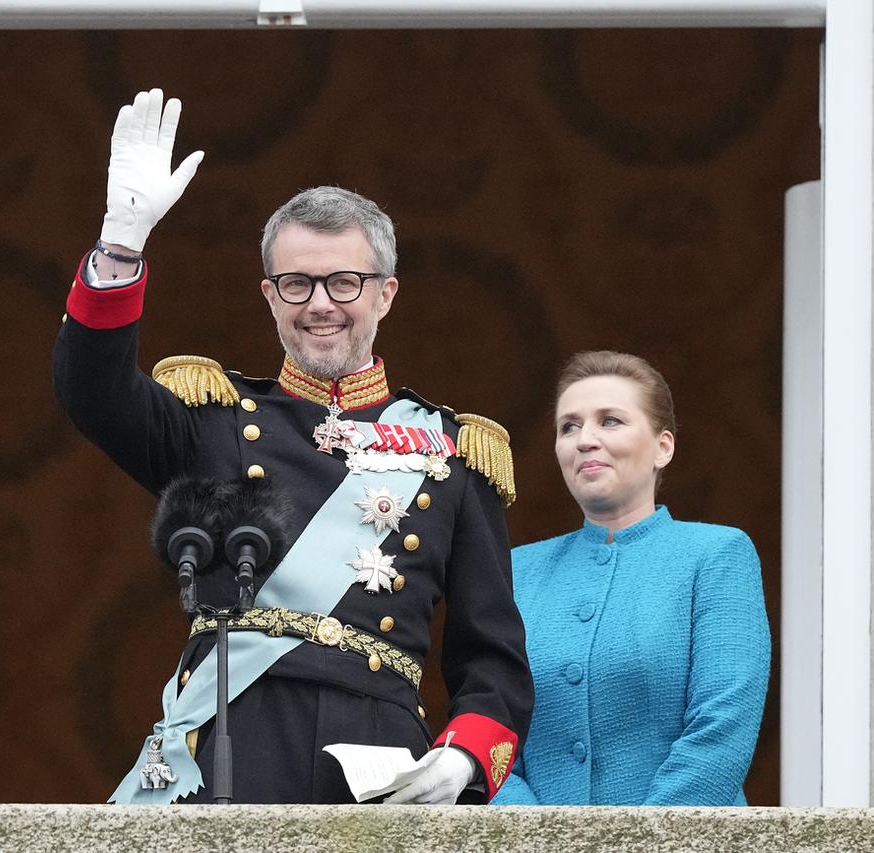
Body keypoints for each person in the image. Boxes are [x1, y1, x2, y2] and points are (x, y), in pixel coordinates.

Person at [52, 89, 532, 805]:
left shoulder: (457, 454)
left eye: (344, 281)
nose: (320, 303)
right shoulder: (209, 418)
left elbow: (493, 659)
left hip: (380, 757)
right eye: (297, 282)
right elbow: (90, 390)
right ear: (270, 296)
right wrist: (121, 244)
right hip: (233, 738)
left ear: (386, 294)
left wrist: (464, 756)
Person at [491, 350, 770, 806]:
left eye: (611, 421)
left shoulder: (716, 555)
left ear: (664, 446)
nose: (585, 440)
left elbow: (724, 724)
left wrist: (649, 841)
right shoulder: (518, 571)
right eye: (570, 426)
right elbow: (494, 736)